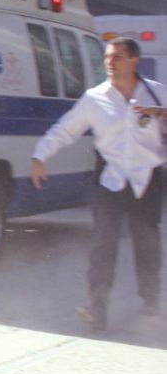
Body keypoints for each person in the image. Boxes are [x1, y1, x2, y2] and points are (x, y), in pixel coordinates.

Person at [32, 37, 165, 331]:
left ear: (134, 61)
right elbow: (65, 129)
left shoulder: (156, 93)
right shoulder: (95, 98)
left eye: (117, 56)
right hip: (110, 178)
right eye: (107, 57)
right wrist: (40, 155)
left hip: (147, 177)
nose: (110, 62)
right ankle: (97, 307)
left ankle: (151, 298)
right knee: (102, 243)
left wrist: (160, 113)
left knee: (147, 242)